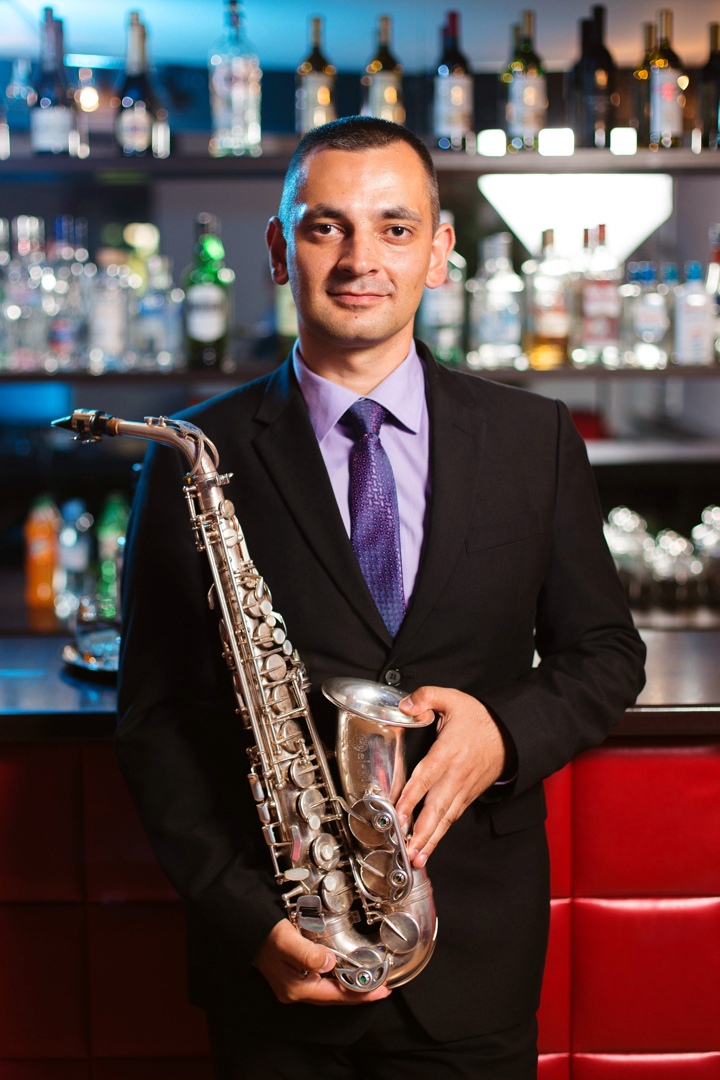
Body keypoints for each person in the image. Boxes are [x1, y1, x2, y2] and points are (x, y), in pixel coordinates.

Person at [117, 116, 646, 1079]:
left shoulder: (533, 437)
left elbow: (607, 652)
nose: (362, 259)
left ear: (438, 253)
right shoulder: (193, 454)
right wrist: (250, 923)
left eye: (395, 228)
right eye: (327, 227)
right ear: (279, 249)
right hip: (282, 959)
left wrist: (504, 734)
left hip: (476, 962)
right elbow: (156, 720)